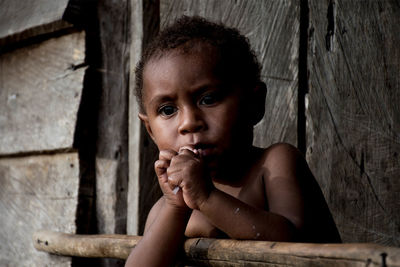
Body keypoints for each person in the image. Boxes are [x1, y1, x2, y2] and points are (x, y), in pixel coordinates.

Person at [125, 16, 340, 267]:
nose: (189, 123)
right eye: (168, 109)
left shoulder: (273, 165)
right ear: (150, 130)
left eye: (207, 99)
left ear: (254, 104)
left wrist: (206, 198)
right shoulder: (169, 205)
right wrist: (176, 208)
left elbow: (297, 247)